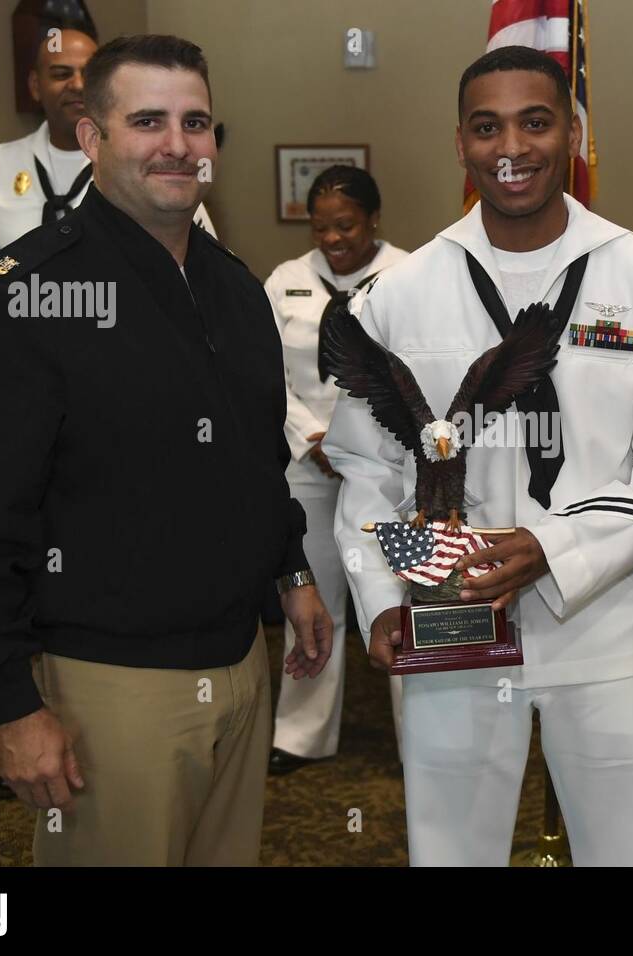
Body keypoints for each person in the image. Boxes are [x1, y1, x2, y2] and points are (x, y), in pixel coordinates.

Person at [0, 34, 331, 866]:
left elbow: (251, 457)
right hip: (111, 689)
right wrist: (8, 704)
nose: (178, 144)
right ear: (90, 139)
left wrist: (292, 571)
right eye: (148, 120)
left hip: (242, 666)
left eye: (196, 122)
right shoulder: (18, 300)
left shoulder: (237, 291)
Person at [324, 46, 633, 866]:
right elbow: (364, 470)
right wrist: (377, 599)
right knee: (451, 850)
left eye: (536, 122)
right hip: (449, 627)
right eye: (487, 126)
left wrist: (553, 548)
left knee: (621, 850)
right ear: (460, 144)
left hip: (602, 623)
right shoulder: (403, 292)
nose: (512, 146)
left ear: (573, 132)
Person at [263, 166, 407, 774]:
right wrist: (310, 435)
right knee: (310, 596)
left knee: (401, 597)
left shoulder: (411, 275)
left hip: (389, 465)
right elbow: (265, 371)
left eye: (345, 225)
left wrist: (357, 441)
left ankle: (419, 732)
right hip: (308, 464)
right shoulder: (285, 281)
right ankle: (300, 733)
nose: (332, 238)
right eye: (319, 227)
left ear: (374, 219)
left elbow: (415, 374)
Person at [0, 20, 215, 285]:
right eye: (61, 73)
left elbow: (202, 276)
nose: (77, 85)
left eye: (87, 74)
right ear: (35, 85)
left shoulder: (152, 174)